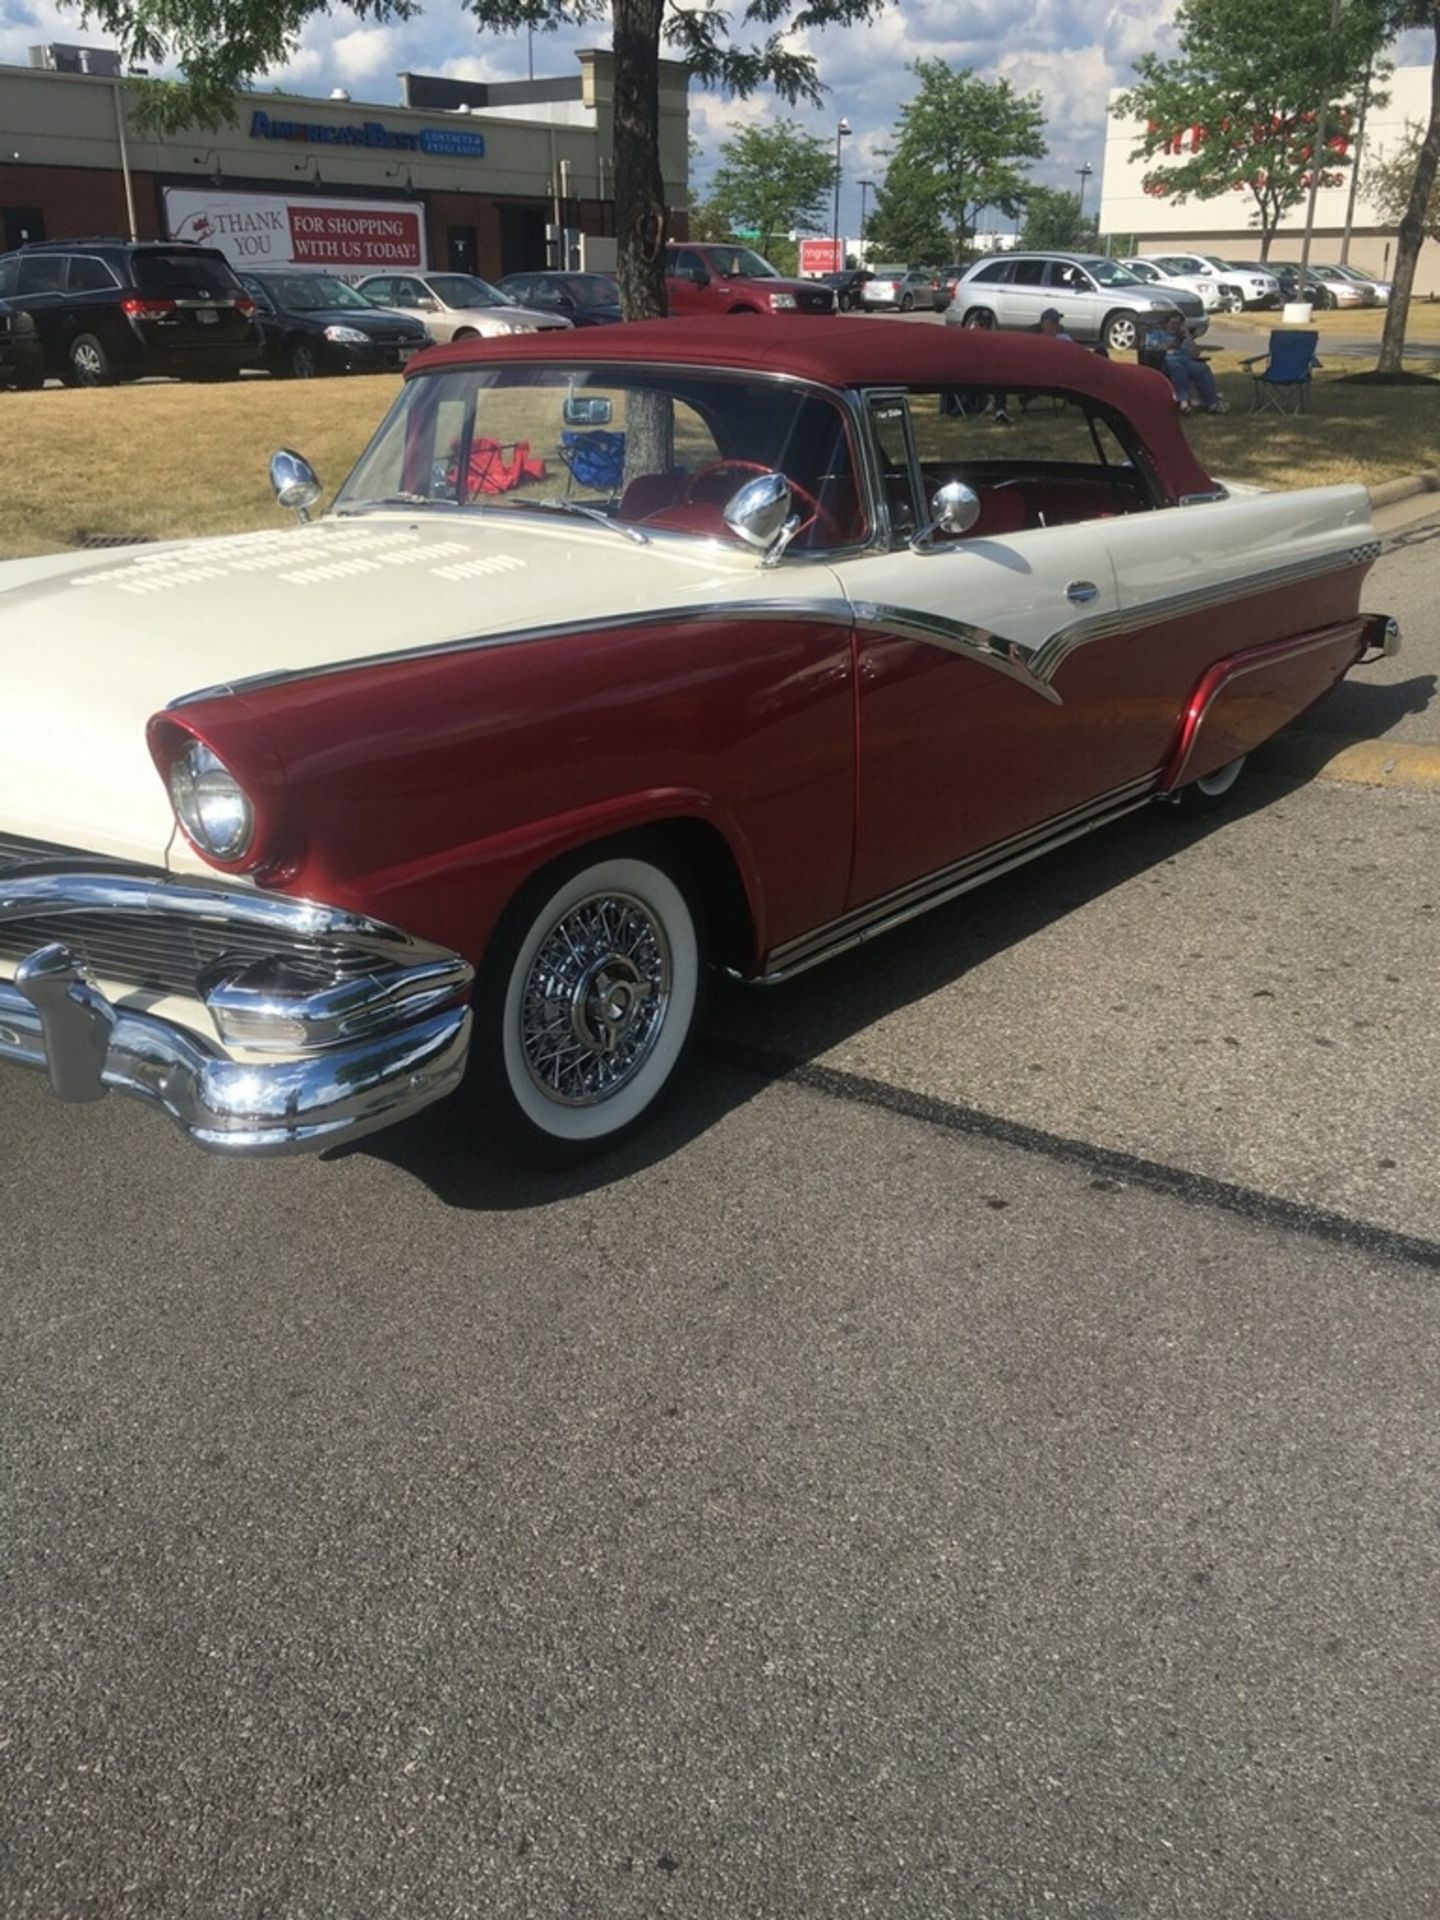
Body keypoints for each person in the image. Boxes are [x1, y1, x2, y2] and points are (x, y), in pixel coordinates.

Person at [1146, 310, 1228, 414]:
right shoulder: (1157, 334)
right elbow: (1156, 348)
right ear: (1166, 324)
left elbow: (1195, 354)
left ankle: (1212, 403)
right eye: (1173, 323)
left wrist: (1188, 335)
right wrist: (1173, 343)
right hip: (1166, 361)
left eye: (1178, 324)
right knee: (1177, 366)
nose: (1175, 326)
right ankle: (1183, 402)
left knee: (1203, 369)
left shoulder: (1184, 337)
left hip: (1186, 361)